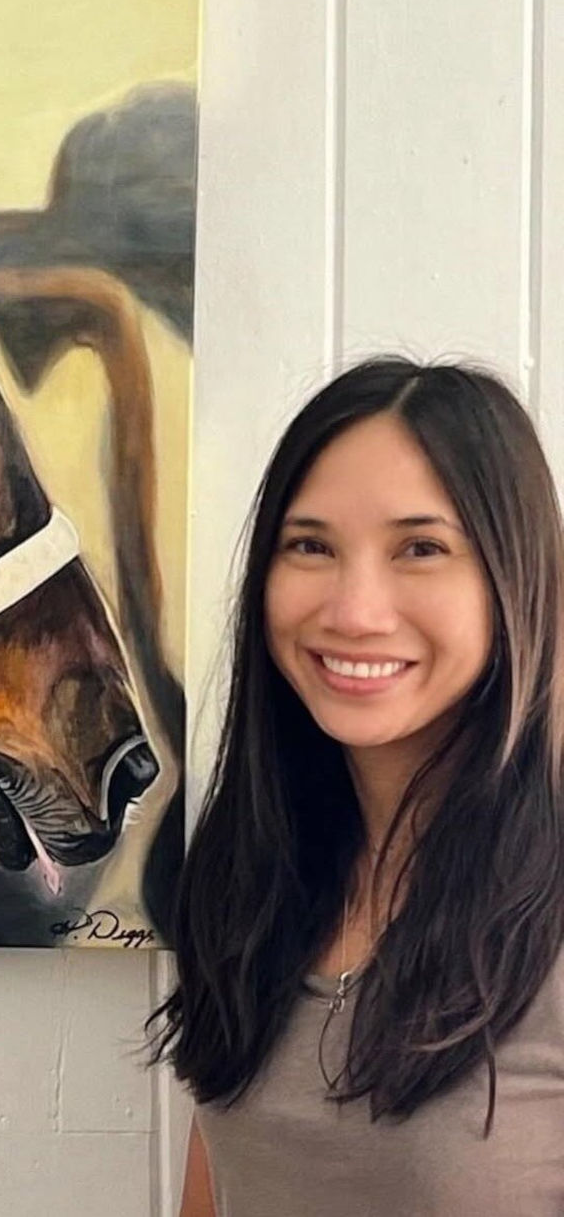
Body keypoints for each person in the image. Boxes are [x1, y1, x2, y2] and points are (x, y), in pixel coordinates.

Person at [148, 357, 564, 1216]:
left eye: (421, 547)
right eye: (311, 546)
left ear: (513, 578)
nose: (354, 609)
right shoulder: (247, 879)